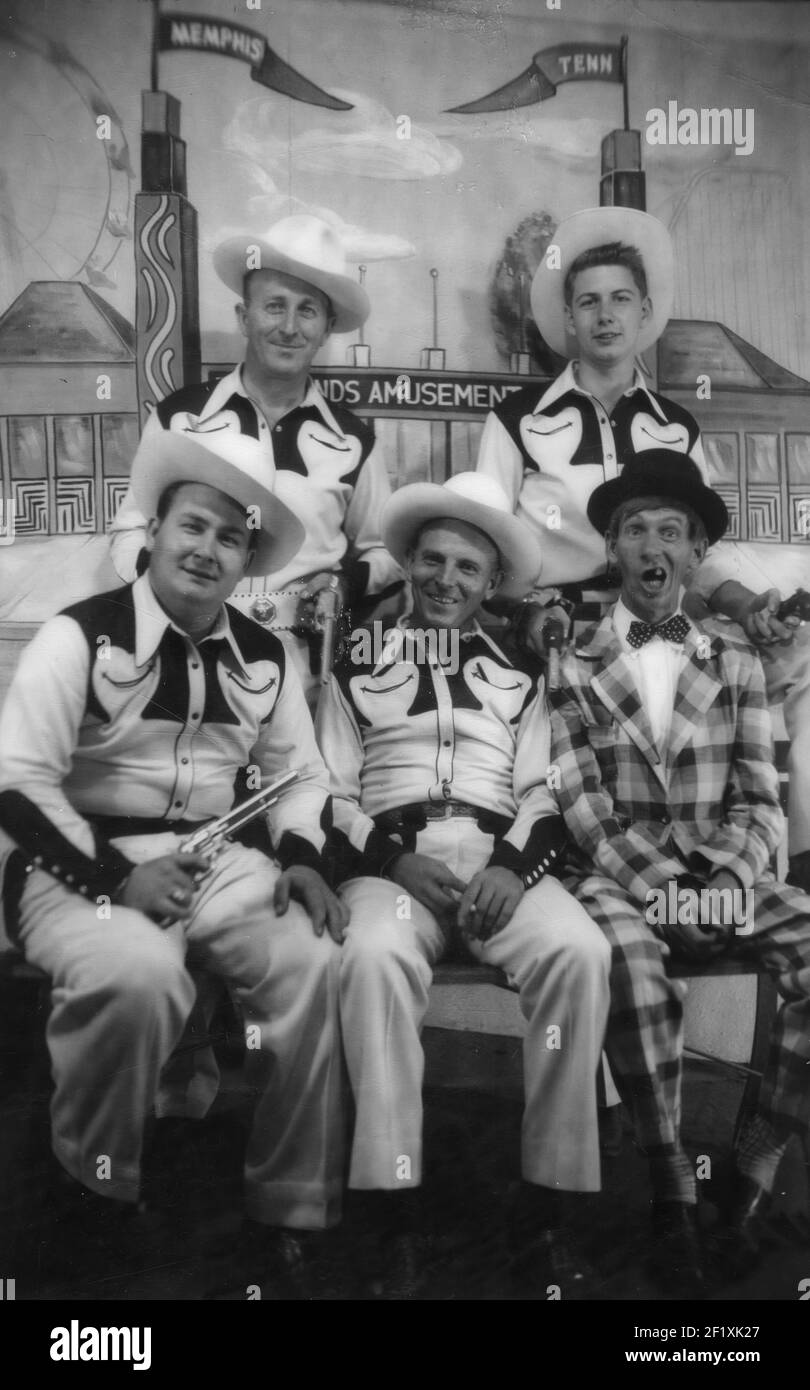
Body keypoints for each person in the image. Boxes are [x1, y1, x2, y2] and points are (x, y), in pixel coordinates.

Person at [0, 426, 348, 1292]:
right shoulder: (78, 634)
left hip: (215, 856)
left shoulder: (268, 653)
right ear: (154, 531)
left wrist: (302, 855)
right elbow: (18, 782)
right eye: (192, 525)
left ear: (247, 561)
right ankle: (95, 1191)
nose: (207, 549)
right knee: (139, 974)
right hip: (76, 856)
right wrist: (119, 880)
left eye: (231, 538)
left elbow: (301, 776)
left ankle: (288, 1204)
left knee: (310, 959)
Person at [316, 471, 611, 1298]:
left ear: (491, 584)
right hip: (393, 863)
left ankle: (548, 1207)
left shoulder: (522, 672)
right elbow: (327, 792)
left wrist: (513, 869)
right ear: (409, 563)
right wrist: (391, 861)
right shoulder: (353, 664)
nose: (446, 580)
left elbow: (545, 789)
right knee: (373, 957)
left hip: (497, 860)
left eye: (468, 568)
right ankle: (395, 1212)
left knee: (580, 952)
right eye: (433, 560)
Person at [476, 205, 810, 889]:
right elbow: (483, 550)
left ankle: (773, 870)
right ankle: (615, 886)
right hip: (558, 633)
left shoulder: (676, 427)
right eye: (588, 302)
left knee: (791, 667)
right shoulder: (518, 422)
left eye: (621, 299)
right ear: (568, 318)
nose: (606, 316)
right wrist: (529, 610)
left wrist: (747, 607)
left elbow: (702, 551)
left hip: (664, 623)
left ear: (645, 312)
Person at [548, 449, 810, 1295]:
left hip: (725, 870)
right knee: (629, 959)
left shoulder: (735, 656)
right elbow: (582, 803)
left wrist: (724, 885)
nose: (652, 545)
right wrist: (663, 889)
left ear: (697, 555)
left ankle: (757, 1159)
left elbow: (761, 797)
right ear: (613, 550)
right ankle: (671, 1184)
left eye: (672, 531)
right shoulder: (574, 657)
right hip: (621, 873)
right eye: (635, 529)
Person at [109, 213, 403, 706]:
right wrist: (177, 591)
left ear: (327, 328)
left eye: (307, 311)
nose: (289, 327)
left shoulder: (353, 440)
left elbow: (387, 553)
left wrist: (342, 584)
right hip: (184, 659)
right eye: (274, 306)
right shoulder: (180, 418)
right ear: (244, 316)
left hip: (304, 676)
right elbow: (129, 533)